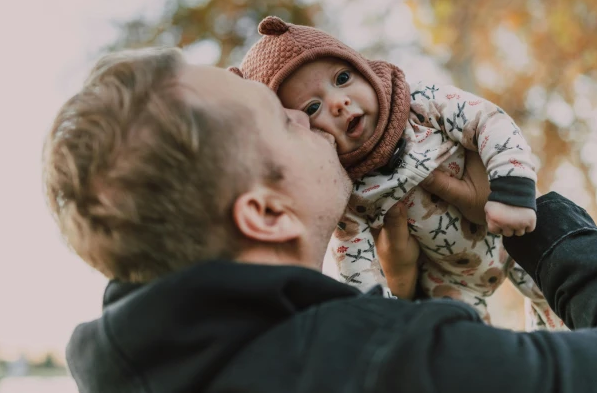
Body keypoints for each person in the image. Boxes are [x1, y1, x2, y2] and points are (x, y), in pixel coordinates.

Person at [43, 47, 597, 393]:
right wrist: (542, 223)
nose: (313, 119)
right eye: (284, 120)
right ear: (265, 213)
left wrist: (402, 300)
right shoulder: (388, 365)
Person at [231, 16, 561, 328]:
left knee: (559, 290)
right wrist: (380, 319)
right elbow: (354, 263)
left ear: (363, 69)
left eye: (343, 79)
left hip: (514, 230)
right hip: (450, 280)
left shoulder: (418, 103)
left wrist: (512, 189)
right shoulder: (345, 188)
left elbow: (488, 121)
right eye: (312, 107)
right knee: (464, 346)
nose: (338, 103)